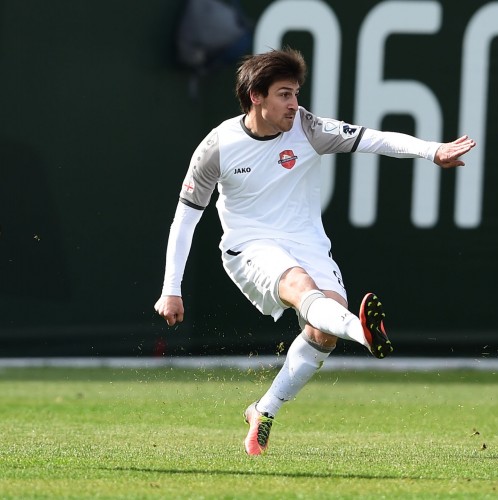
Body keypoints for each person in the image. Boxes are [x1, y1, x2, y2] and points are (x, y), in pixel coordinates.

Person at [153, 48, 476, 456]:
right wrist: (171, 288)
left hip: (307, 244)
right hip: (249, 246)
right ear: (256, 96)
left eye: (296, 93)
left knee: (323, 329)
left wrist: (432, 151)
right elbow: (185, 219)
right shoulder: (218, 146)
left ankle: (264, 409)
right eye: (284, 94)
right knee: (304, 288)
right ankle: (365, 333)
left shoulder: (307, 129)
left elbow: (372, 139)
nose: (295, 103)